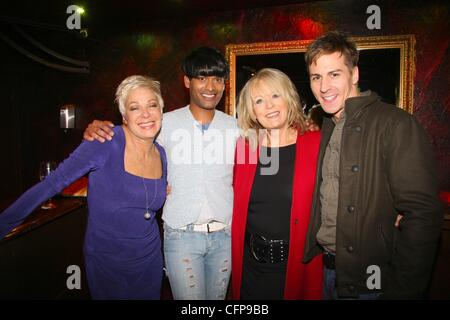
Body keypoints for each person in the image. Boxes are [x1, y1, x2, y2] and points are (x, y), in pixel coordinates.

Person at [83, 47, 238, 300]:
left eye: (218, 79)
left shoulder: (235, 127)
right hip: (181, 235)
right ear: (187, 81)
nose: (211, 86)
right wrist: (96, 127)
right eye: (202, 77)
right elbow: (126, 140)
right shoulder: (162, 123)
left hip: (225, 236)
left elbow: (265, 152)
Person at [302, 31, 443, 299]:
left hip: (372, 283)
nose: (324, 86)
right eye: (316, 77)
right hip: (327, 273)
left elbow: (422, 214)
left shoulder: (396, 124)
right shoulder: (328, 127)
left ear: (354, 74)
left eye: (334, 74)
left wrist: (402, 291)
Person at [0, 75, 167, 299]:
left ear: (161, 110)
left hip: (149, 260)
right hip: (108, 263)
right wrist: (4, 223)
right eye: (135, 107)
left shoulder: (162, 154)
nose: (146, 114)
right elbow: (52, 182)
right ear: (124, 116)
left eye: (152, 105)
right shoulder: (105, 142)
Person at [231, 68, 322, 300]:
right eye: (259, 101)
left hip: (297, 267)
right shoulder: (246, 148)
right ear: (252, 111)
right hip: (251, 268)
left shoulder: (315, 143)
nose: (269, 106)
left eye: (275, 96)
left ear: (288, 98)